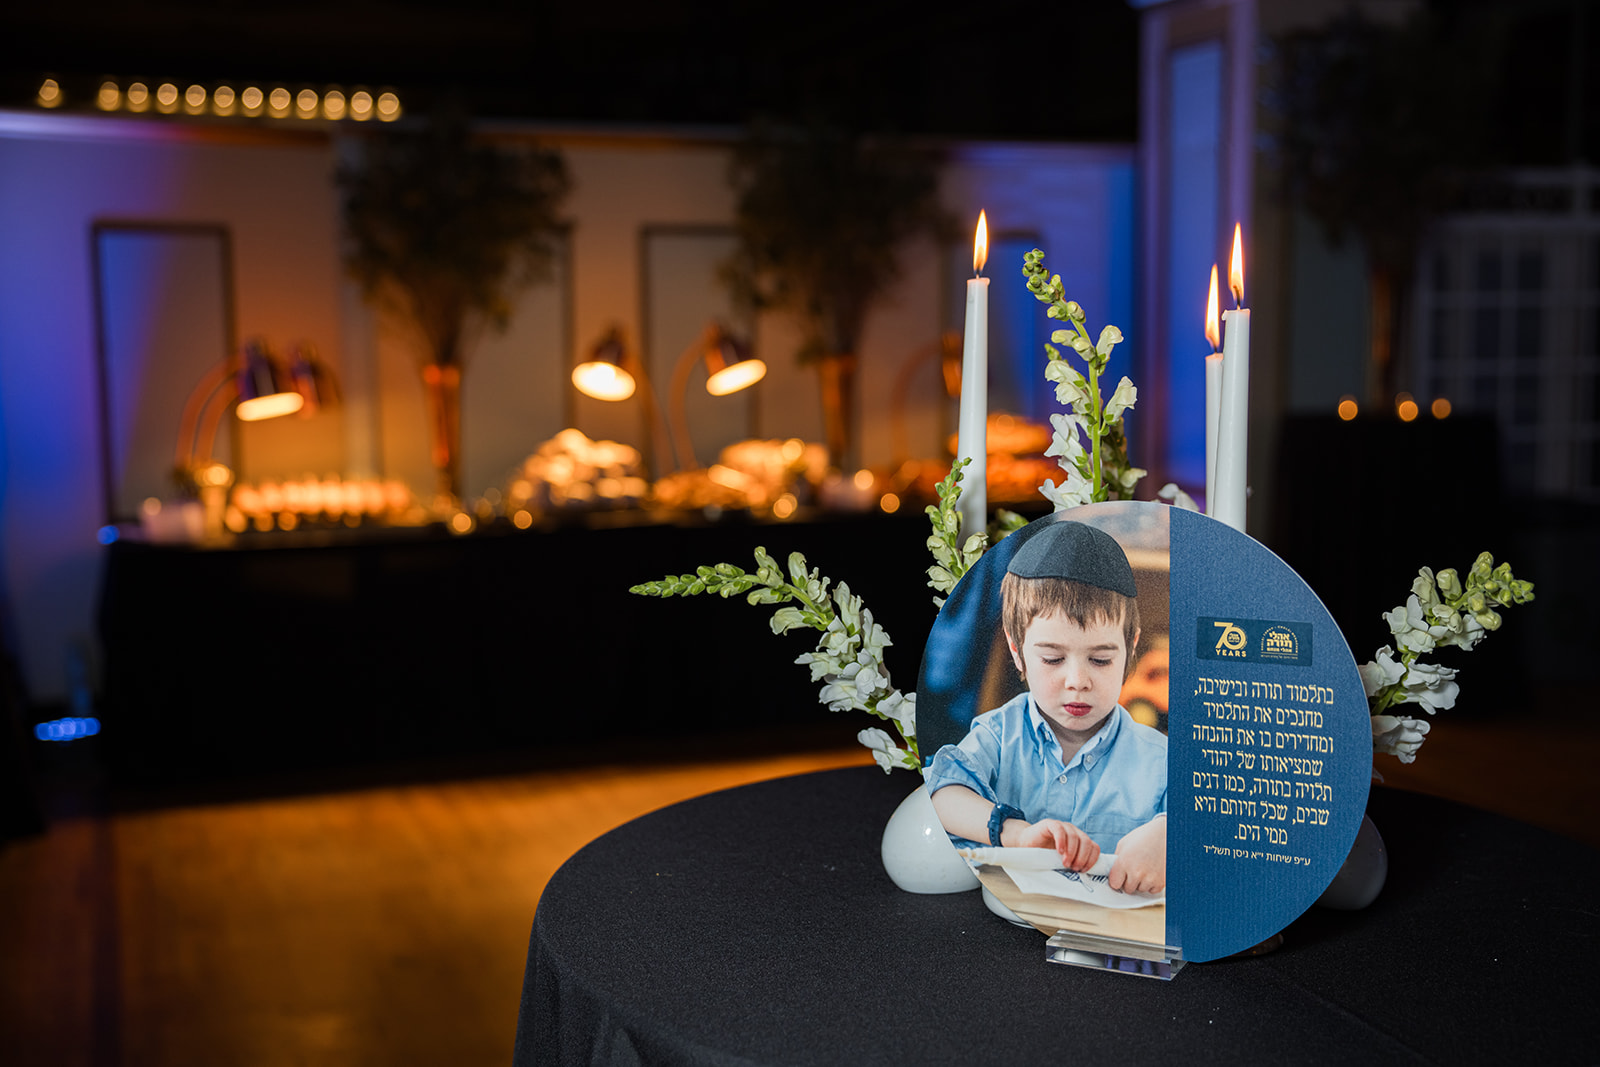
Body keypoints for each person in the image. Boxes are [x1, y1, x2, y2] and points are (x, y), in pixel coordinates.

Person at [927, 520, 1168, 896]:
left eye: (1100, 660)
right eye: (1053, 659)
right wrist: (1016, 833)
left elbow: (1211, 813)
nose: (1077, 681)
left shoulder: (1160, 758)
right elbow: (943, 794)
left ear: (1131, 649)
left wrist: (1169, 834)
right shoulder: (999, 735)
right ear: (1017, 651)